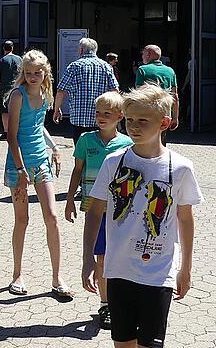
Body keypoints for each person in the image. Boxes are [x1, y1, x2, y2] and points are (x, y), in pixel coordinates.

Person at [82, 84, 201, 348]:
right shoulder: (114, 162)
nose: (133, 126)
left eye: (143, 121)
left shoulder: (181, 168)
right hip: (118, 270)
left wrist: (186, 269)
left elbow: (185, 218)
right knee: (123, 343)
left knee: (150, 344)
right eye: (130, 120)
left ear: (164, 123)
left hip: (158, 273)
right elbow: (95, 211)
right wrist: (88, 258)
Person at [5, 50, 71, 298]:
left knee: (52, 217)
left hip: (41, 162)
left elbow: (38, 126)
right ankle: (17, 275)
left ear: (45, 73)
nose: (32, 76)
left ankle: (56, 277)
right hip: (18, 164)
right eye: (28, 72)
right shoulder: (17, 95)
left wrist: (54, 148)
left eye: (37, 73)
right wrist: (21, 169)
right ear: (23, 72)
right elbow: (11, 135)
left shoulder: (45, 95)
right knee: (22, 220)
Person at [65, 91, 133, 330]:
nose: (101, 117)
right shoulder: (85, 140)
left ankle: (122, 301)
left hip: (121, 211)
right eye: (98, 113)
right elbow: (77, 171)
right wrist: (70, 199)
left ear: (120, 116)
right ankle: (105, 305)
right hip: (94, 209)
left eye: (107, 114)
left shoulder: (127, 144)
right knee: (101, 257)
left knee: (121, 257)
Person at [53, 37, 119, 144]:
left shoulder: (74, 66)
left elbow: (61, 91)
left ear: (81, 50)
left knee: (80, 154)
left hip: (78, 119)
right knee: (98, 153)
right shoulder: (106, 67)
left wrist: (56, 109)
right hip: (100, 119)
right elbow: (115, 91)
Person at [136, 44, 180, 134]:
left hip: (147, 114)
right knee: (161, 143)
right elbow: (175, 96)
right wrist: (175, 117)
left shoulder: (142, 70)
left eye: (143, 54)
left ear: (148, 54)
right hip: (165, 114)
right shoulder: (170, 71)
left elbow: (138, 95)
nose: (142, 56)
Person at [0, 40, 22, 139]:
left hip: (4, 89)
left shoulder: (1, 60)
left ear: (3, 48)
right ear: (12, 48)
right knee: (17, 110)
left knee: (4, 111)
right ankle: (16, 131)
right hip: (17, 88)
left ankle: (6, 132)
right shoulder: (19, 59)